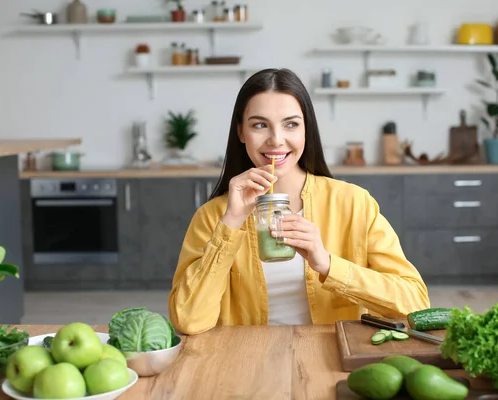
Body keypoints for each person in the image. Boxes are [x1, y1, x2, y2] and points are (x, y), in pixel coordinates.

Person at [168, 68, 430, 335]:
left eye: (290, 124)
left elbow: (416, 304)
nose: (276, 140)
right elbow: (188, 319)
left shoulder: (354, 203)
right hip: (243, 365)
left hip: (331, 363)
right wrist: (231, 222)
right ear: (241, 131)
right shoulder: (214, 217)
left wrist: (328, 265)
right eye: (260, 125)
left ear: (307, 129)